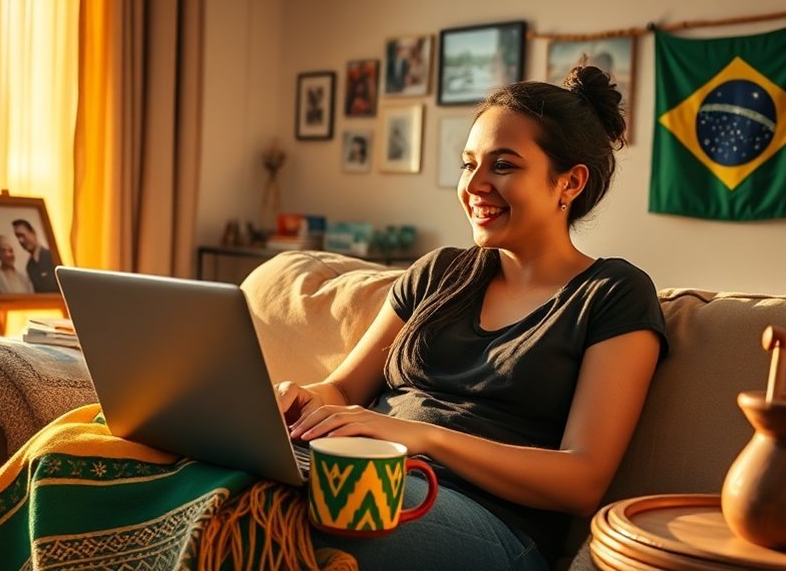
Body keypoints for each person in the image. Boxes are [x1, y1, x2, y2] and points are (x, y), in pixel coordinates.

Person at [276, 65, 667, 570]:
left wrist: (423, 437)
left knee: (301, 520)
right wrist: (301, 401)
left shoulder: (613, 294)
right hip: (364, 473)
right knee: (209, 483)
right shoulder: (439, 272)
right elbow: (345, 389)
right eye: (468, 164)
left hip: (491, 526)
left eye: (503, 165)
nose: (475, 185)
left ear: (569, 182)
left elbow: (582, 479)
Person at [12, 218, 59, 293]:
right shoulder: (29, 266)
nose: (20, 240)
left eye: (22, 235)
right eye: (18, 237)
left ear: (33, 233)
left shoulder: (52, 256)